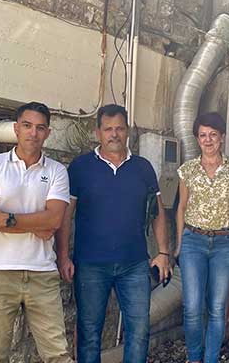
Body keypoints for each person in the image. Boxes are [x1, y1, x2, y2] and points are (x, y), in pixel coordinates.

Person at [55, 104, 171, 363]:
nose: (114, 134)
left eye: (119, 128)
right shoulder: (81, 167)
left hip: (134, 264)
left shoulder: (143, 167)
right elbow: (65, 215)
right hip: (91, 265)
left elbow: (157, 212)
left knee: (139, 332)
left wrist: (163, 252)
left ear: (127, 131)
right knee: (89, 334)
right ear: (98, 132)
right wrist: (63, 256)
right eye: (108, 129)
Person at [0, 102, 73, 363]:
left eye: (40, 128)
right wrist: (38, 223)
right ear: (16, 128)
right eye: (27, 126)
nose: (33, 133)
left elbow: (55, 220)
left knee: (58, 355)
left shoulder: (57, 171)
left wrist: (5, 219)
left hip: (42, 272)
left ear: (47, 133)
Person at [174, 112, 229, 363]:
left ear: (222, 136)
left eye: (213, 134)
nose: (208, 140)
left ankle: (211, 359)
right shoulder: (188, 170)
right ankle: (194, 358)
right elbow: (181, 207)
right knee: (192, 307)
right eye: (202, 135)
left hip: (226, 243)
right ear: (197, 138)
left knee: (217, 308)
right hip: (193, 241)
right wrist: (179, 243)